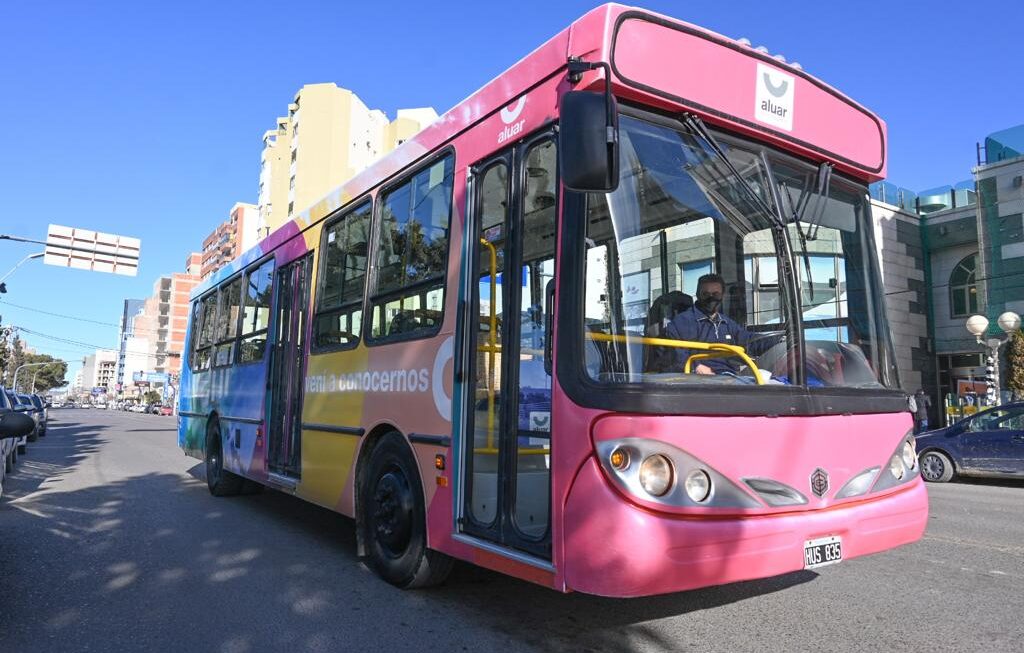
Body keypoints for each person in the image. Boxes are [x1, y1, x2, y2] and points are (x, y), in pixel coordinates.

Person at [665, 273, 765, 376]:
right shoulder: (682, 322)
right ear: (698, 294)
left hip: (729, 377)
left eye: (716, 294)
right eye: (705, 294)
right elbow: (672, 353)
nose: (710, 298)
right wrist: (695, 366)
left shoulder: (726, 323)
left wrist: (777, 339)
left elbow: (750, 340)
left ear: (722, 296)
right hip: (695, 380)